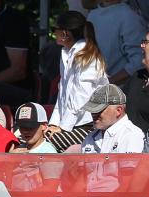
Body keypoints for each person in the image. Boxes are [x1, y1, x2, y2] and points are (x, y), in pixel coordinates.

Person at [46, 11, 109, 152]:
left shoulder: (86, 56)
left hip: (91, 126)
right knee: (34, 139)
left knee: (44, 143)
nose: (53, 33)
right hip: (73, 125)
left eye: (54, 29)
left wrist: (63, 127)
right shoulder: (67, 52)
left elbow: (81, 97)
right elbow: (62, 96)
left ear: (65, 33)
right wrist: (54, 123)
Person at [86, 0, 146, 84]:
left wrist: (108, 83)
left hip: (121, 88)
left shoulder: (128, 16)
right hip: (96, 85)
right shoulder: (92, 15)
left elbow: (139, 61)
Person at [80, 84, 146, 154]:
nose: (93, 114)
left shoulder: (132, 135)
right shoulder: (90, 137)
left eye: (99, 110)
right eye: (92, 110)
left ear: (118, 110)